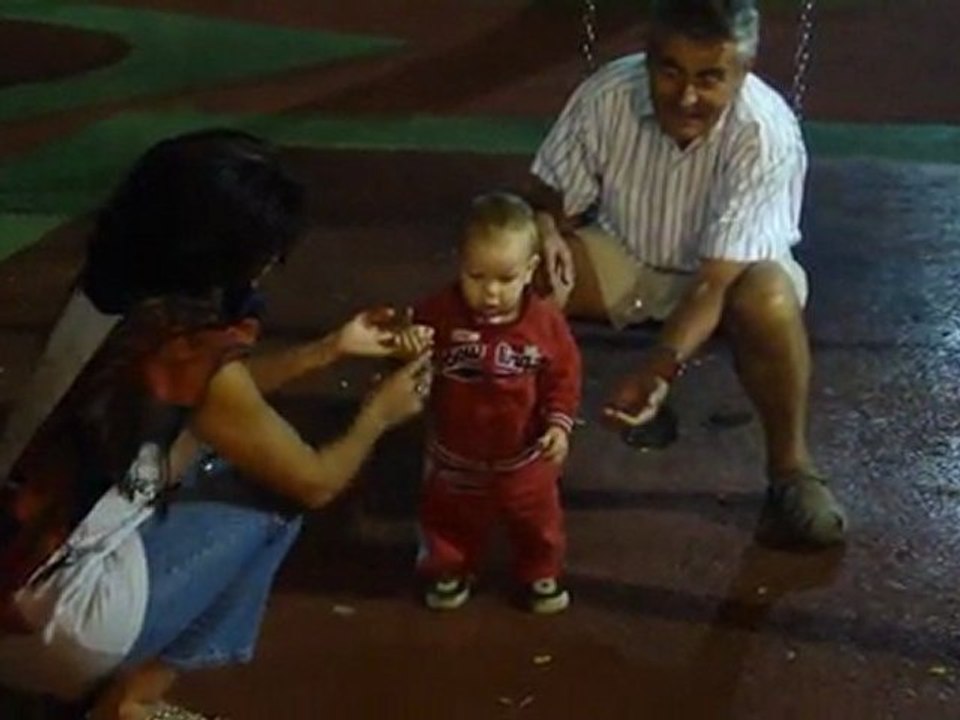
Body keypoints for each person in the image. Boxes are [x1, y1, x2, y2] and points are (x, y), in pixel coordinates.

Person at [0, 129, 433, 720]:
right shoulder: (185, 347)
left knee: (211, 456)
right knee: (273, 498)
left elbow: (212, 398)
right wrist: (381, 413)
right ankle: (132, 701)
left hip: (15, 568)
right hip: (50, 624)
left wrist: (329, 349)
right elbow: (315, 481)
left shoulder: (110, 290)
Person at [527, 0, 846, 546]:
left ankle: (792, 470)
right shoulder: (607, 94)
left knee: (768, 298)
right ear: (647, 58)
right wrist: (546, 228)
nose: (687, 96)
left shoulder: (767, 133)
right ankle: (507, 449)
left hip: (727, 279)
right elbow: (549, 192)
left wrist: (657, 370)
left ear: (741, 74)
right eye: (670, 71)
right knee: (517, 266)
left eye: (709, 78)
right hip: (627, 257)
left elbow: (714, 282)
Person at [396, 192, 581, 614]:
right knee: (449, 517)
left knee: (538, 520)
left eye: (506, 278)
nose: (491, 292)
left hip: (526, 452)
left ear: (531, 270)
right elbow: (407, 348)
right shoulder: (438, 311)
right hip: (456, 453)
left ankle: (540, 572)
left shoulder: (546, 323)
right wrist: (407, 345)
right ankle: (450, 568)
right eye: (476, 276)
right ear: (460, 264)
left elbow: (564, 376)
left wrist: (558, 423)